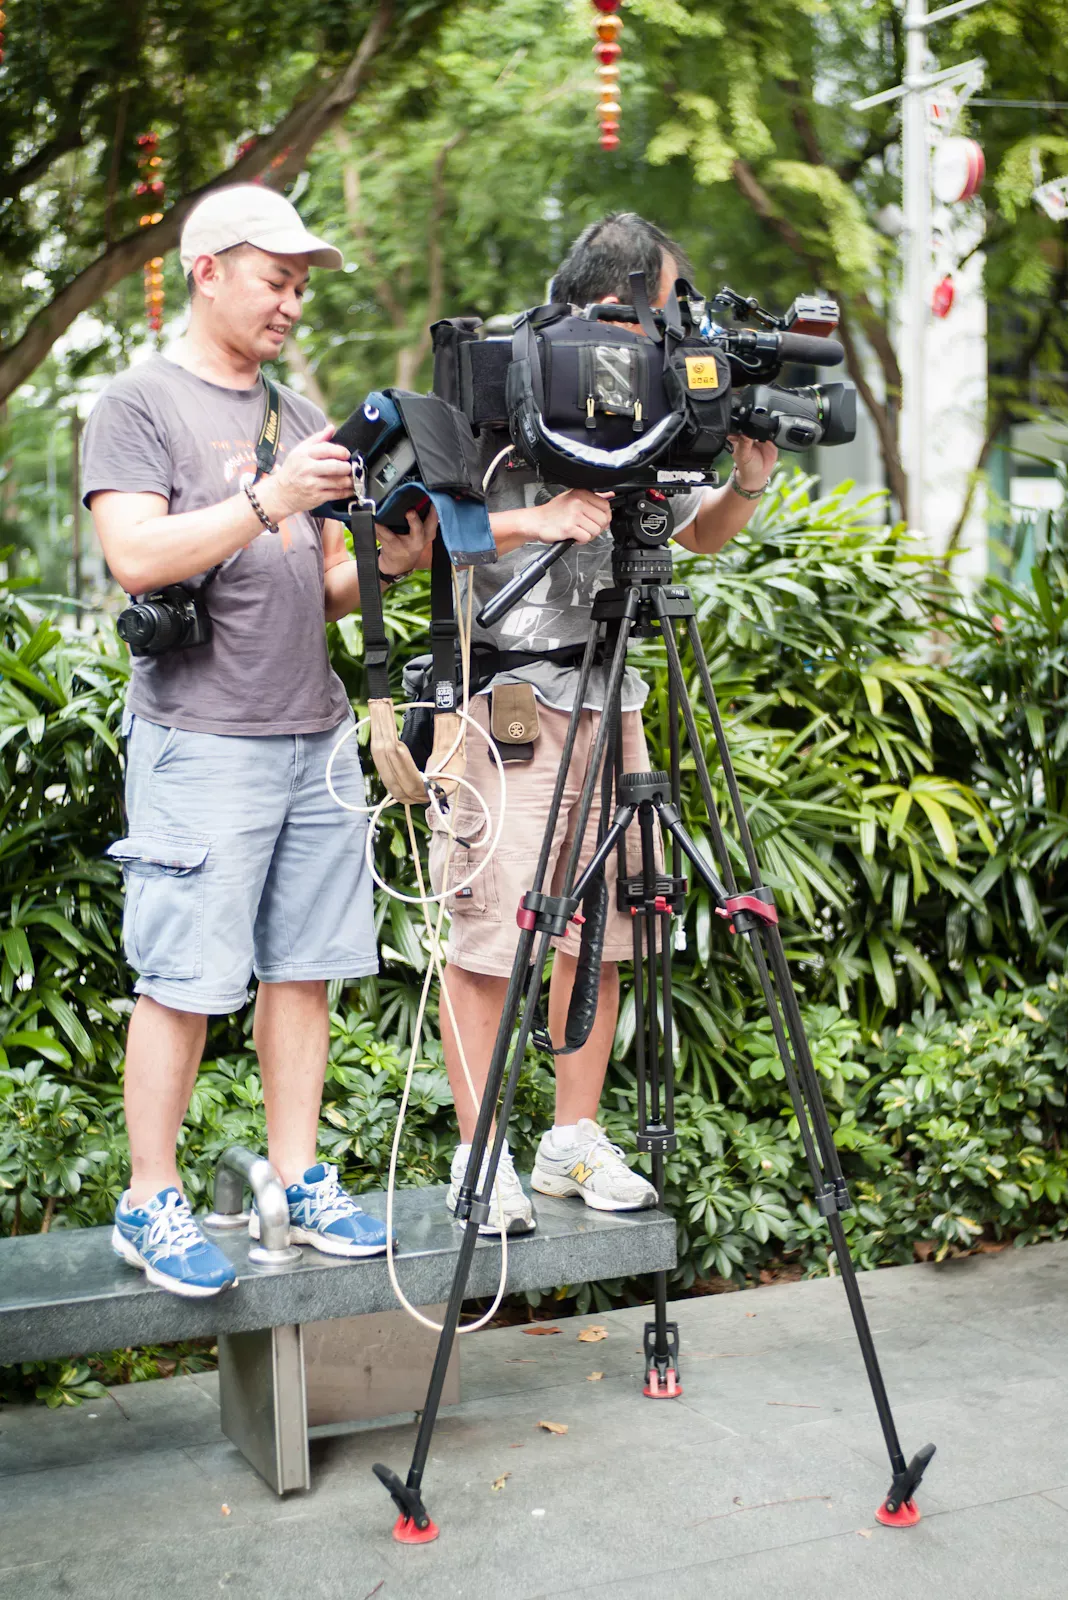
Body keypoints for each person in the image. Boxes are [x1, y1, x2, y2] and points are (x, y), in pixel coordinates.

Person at [85, 185, 434, 1297]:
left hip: (312, 734)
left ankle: (296, 1178)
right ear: (207, 272)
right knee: (184, 980)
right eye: (274, 278)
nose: (291, 301)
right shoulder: (138, 404)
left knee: (305, 973)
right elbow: (137, 558)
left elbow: (310, 587)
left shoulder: (295, 405)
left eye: (299, 284)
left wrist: (385, 561)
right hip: (203, 738)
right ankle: (150, 1198)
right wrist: (273, 496)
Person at [431, 213, 779, 1234]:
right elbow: (421, 519)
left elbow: (696, 532)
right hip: (507, 700)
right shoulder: (500, 371)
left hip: (613, 696)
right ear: (621, 297)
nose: (677, 323)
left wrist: (747, 476)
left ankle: (568, 1140)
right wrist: (535, 516)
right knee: (494, 933)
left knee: (609, 929)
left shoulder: (653, 392)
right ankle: (477, 1155)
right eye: (669, 302)